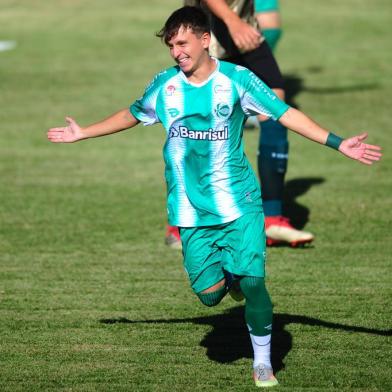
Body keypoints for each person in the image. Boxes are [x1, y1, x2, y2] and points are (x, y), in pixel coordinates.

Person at [47, 6, 381, 387]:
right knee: (208, 297)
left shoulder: (238, 80)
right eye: (171, 45)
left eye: (183, 43)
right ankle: (232, 280)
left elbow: (285, 113)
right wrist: (83, 132)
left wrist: (338, 144)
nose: (177, 52)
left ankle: (262, 361)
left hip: (239, 203)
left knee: (254, 282)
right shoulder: (165, 86)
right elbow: (132, 113)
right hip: (189, 211)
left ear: (206, 40)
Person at [165, 0, 312, 249]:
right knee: (197, 128)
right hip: (206, 33)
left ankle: (272, 218)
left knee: (275, 107)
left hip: (245, 31)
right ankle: (181, 223)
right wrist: (233, 22)